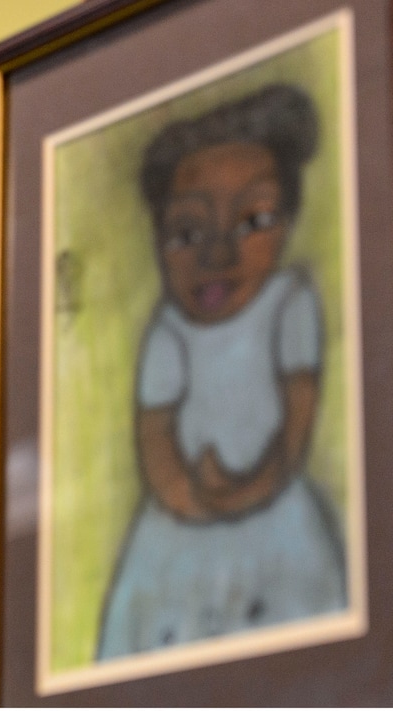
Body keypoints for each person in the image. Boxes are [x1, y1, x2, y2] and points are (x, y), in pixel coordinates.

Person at [97, 84, 347, 658]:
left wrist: (249, 491)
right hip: (175, 533)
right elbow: (156, 438)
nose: (218, 255)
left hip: (278, 519)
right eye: (188, 233)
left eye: (254, 220)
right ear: (158, 238)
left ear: (288, 220)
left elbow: (298, 417)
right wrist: (191, 498)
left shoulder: (289, 304)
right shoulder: (168, 333)